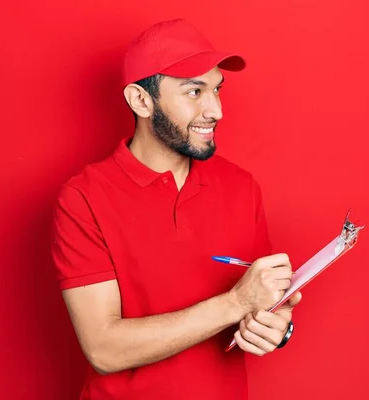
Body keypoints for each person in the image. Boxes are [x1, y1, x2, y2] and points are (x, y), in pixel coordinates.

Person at [51, 18, 302, 400]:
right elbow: (104, 348)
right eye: (194, 92)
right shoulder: (83, 198)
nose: (215, 110)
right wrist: (236, 303)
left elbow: (261, 304)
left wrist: (276, 325)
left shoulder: (241, 187)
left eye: (217, 90)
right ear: (141, 100)